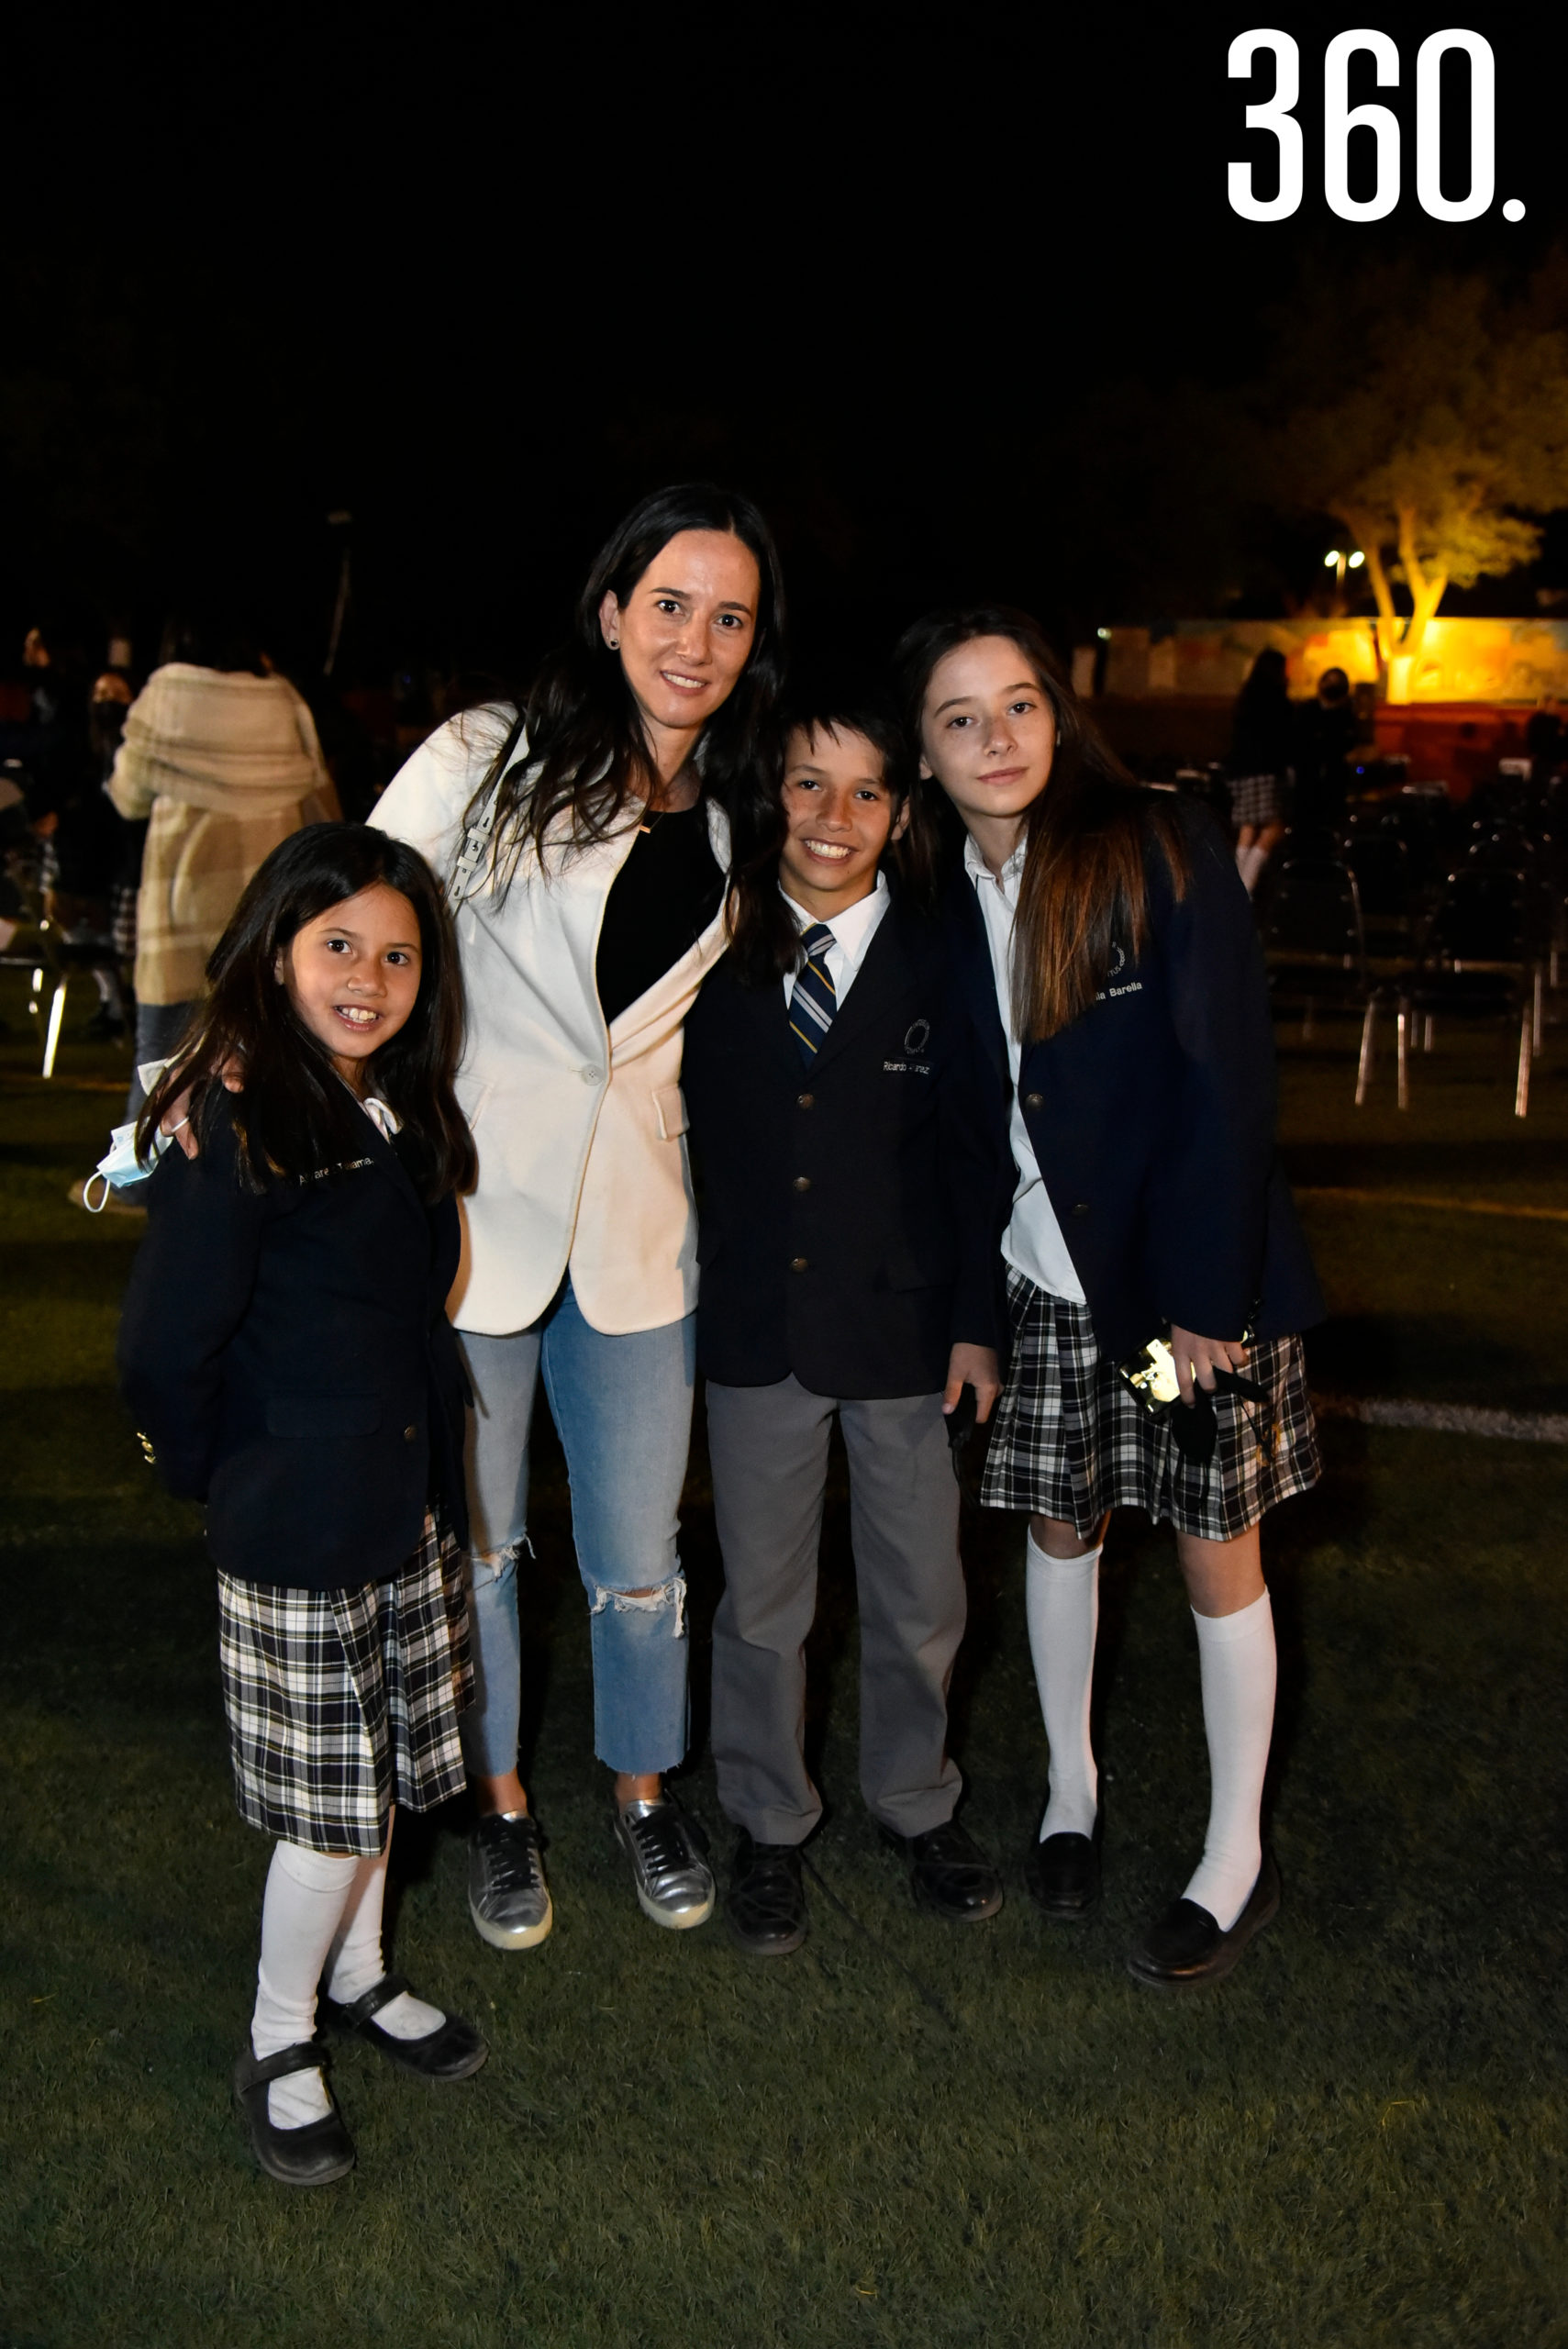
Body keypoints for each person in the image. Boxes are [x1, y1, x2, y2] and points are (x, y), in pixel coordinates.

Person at [372, 483, 785, 1946]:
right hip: (476, 1213)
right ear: (611, 611)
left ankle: (641, 1796)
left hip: (633, 1229)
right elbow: (357, 914)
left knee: (639, 1554)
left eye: (727, 616)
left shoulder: (744, 821)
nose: (695, 640)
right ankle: (497, 1815)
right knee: (476, 1552)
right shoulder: (486, 757)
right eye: (669, 604)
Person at [897, 607, 1324, 1990]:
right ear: (925, 756)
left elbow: (1226, 1081)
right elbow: (969, 1134)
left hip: (1167, 1313)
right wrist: (973, 1309)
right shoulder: (940, 896)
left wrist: (1206, 1301)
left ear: (1059, 715)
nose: (993, 737)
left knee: (1213, 1544)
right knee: (1063, 1520)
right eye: (959, 719)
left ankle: (1231, 1854)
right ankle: (1068, 1792)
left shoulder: (1155, 844)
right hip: (1043, 1302)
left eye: (1016, 705)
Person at [117, 824, 485, 2188]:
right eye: (340, 945)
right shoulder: (235, 1112)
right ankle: (279, 2035)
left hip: (402, 1501)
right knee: (330, 1814)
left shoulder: (396, 1099)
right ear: (278, 952)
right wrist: (215, 1473)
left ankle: (362, 1973)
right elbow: (164, 1344)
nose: (370, 976)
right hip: (302, 1521)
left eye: (398, 954)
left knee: (379, 1779)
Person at [683, 685, 1007, 1955]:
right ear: (772, 793)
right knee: (760, 1601)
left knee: (920, 1587)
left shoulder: (941, 948)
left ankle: (916, 1800)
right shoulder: (714, 941)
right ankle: (767, 1818)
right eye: (809, 785)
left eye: (866, 791)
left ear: (903, 808)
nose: (833, 817)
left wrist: (974, 1323)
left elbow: (977, 1150)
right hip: (758, 1326)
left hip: (904, 1333)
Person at [107, 610, 339, 1115]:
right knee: (267, 1055)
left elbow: (127, 798)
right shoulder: (281, 699)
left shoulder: (166, 695)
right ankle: (263, 1176)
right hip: (267, 907)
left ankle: (143, 1173)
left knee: (163, 1052)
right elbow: (322, 803)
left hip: (181, 906)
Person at [1227, 646, 1292, 894]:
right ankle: (1245, 888)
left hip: (1240, 771)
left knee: (1247, 827)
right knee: (1273, 828)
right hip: (1265, 771)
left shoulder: (1247, 697)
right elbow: (1283, 739)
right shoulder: (1276, 699)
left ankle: (1233, 889)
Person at [1291, 666, 1358, 847]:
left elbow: (1348, 745)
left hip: (1334, 783)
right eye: (1329, 681)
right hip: (1306, 780)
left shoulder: (1346, 715)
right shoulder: (1306, 711)